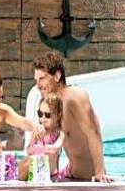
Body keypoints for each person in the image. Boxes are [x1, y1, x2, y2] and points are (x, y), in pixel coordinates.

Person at [31, 52, 113, 182]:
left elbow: (94, 132)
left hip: (88, 177)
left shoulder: (74, 96)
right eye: (36, 80)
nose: (38, 85)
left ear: (57, 76)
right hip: (69, 174)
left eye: (42, 79)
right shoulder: (50, 105)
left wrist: (99, 173)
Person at [25, 92, 65, 181]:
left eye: (47, 115)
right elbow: (28, 150)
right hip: (36, 174)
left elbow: (54, 149)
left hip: (52, 176)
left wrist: (37, 148)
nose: (42, 118)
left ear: (58, 115)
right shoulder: (37, 132)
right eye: (40, 114)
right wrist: (35, 145)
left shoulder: (59, 133)